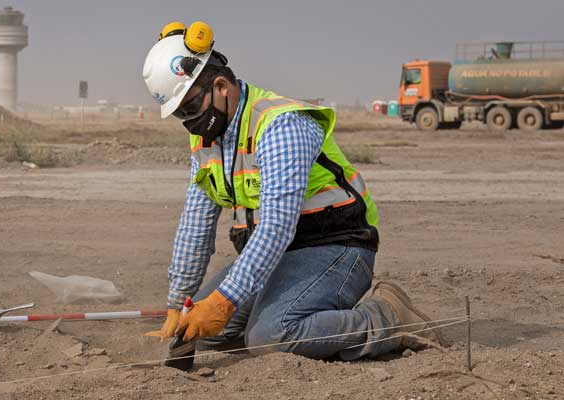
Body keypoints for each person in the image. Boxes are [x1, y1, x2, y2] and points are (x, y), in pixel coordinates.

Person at [142, 21, 442, 360]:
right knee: (200, 330)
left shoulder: (280, 125)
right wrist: (177, 302)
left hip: (336, 247)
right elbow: (195, 224)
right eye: (179, 113)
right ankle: (293, 320)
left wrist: (225, 300)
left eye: (190, 106)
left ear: (221, 85)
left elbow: (276, 226)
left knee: (271, 335)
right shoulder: (206, 141)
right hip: (280, 257)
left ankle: (387, 319)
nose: (188, 120)